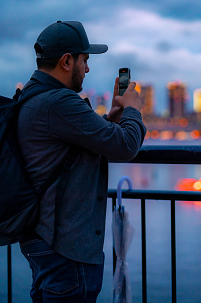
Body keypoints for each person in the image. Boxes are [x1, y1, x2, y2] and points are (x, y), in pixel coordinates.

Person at [17, 20, 145, 302]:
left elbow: (74, 141)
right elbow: (126, 146)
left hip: (43, 239)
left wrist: (112, 116)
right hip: (66, 249)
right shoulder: (59, 102)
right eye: (84, 59)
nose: (87, 68)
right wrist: (134, 109)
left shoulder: (32, 96)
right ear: (66, 61)